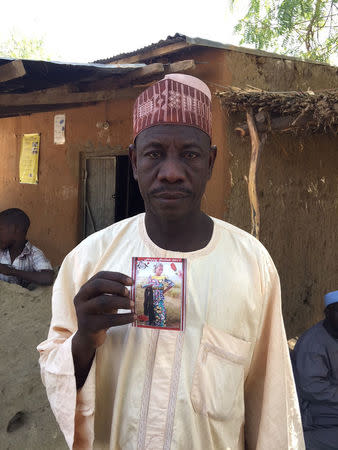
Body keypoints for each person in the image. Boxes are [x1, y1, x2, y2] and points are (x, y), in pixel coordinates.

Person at [38, 74, 304, 449]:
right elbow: (53, 370)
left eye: (190, 155)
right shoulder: (88, 261)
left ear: (210, 162)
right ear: (133, 161)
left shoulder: (252, 267)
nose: (172, 172)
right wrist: (83, 340)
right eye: (154, 153)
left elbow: (273, 402)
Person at [292, 290, 338, 450]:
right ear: (328, 314)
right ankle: (303, 442)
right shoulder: (313, 343)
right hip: (315, 409)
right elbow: (312, 388)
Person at [0, 208, 54, 288]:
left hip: (23, 299)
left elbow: (48, 278)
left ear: (14, 229)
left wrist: (11, 271)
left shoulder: (34, 253)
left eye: (0, 229)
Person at [142, 262, 174, 327]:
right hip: (151, 300)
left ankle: (162, 328)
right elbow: (147, 287)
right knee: (153, 316)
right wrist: (148, 285)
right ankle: (155, 327)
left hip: (159, 300)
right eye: (159, 269)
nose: (161, 271)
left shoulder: (163, 277)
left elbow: (172, 284)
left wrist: (164, 291)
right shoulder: (151, 277)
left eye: (162, 269)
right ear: (155, 269)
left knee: (161, 316)